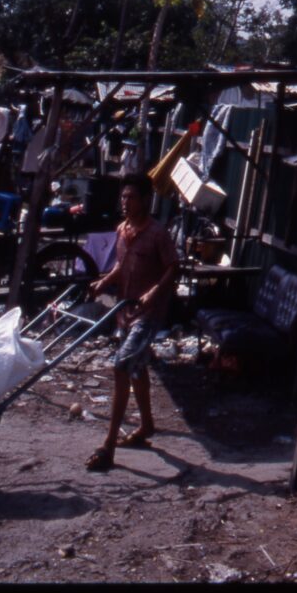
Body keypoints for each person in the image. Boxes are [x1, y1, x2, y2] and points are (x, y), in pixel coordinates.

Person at [84, 174, 179, 470]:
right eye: (123, 197)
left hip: (147, 314)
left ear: (145, 200)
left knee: (122, 366)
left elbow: (174, 267)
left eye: (131, 197)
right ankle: (147, 426)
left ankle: (109, 445)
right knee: (137, 368)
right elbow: (119, 267)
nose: (125, 203)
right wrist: (103, 282)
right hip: (125, 310)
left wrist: (154, 291)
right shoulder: (122, 230)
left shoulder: (157, 234)